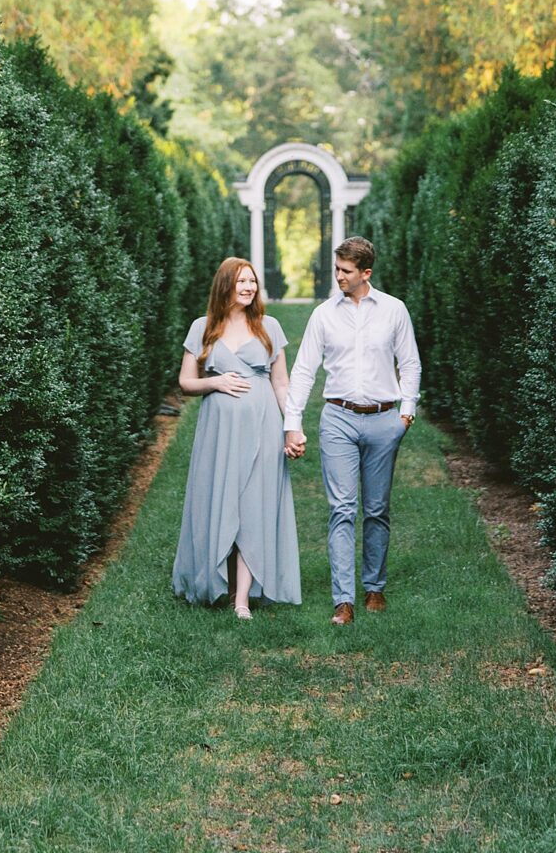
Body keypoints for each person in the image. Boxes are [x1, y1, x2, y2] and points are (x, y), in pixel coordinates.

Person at [283, 236, 422, 626]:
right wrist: (292, 423)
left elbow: (410, 364)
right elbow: (304, 371)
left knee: (377, 509)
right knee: (342, 509)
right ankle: (343, 600)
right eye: (337, 270)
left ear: (365, 273)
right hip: (338, 419)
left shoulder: (394, 311)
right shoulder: (324, 315)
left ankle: (374, 587)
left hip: (383, 420)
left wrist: (405, 414)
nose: (338, 277)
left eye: (345, 271)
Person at [172, 257, 303, 616]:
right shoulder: (203, 327)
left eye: (252, 282)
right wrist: (214, 381)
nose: (248, 288)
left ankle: (242, 599)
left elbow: (281, 382)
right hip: (219, 432)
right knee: (221, 499)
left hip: (261, 425)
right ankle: (213, 580)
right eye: (241, 282)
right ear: (225, 286)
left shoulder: (268, 326)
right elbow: (186, 382)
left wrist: (292, 426)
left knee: (253, 507)